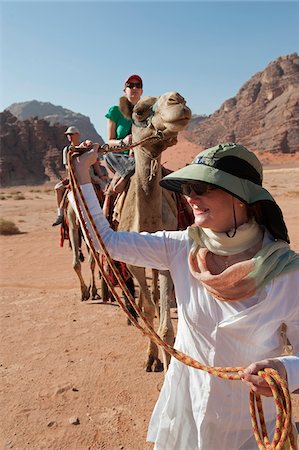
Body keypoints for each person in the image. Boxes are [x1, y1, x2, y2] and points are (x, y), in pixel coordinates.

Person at [70, 142, 299, 449]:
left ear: (242, 196)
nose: (190, 197)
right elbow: (105, 241)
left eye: (202, 188)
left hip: (253, 424)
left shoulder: (289, 273)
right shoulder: (180, 247)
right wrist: (81, 174)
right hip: (188, 410)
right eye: (188, 187)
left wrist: (285, 370)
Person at [104, 74, 143, 193]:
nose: (134, 88)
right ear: (125, 90)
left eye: (138, 85)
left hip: (141, 155)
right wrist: (123, 142)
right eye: (130, 85)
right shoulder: (115, 111)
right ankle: (126, 177)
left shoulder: (147, 113)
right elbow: (110, 141)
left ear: (141, 91)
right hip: (120, 156)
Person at [52, 126, 81, 226]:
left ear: (77, 134)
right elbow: (67, 166)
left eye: (71, 134)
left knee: (105, 189)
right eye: (68, 135)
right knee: (58, 188)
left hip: (87, 175)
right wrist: (72, 173)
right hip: (72, 176)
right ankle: (60, 214)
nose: (69, 136)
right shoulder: (66, 150)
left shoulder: (85, 146)